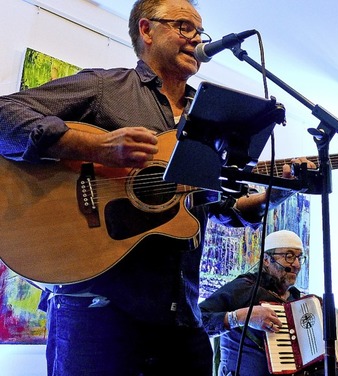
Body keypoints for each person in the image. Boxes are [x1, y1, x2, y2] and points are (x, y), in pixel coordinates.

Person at [0, 1, 312, 374]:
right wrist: (97, 147)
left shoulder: (210, 116)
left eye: (199, 30)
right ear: (146, 30)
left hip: (181, 320)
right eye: (184, 26)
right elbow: (4, 116)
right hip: (96, 316)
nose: (196, 38)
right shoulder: (106, 88)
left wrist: (274, 193)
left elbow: (215, 206)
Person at [199, 230, 338, 376]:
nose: (296, 264)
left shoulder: (299, 302)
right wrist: (241, 317)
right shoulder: (242, 288)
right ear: (266, 260)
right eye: (289, 256)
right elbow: (199, 322)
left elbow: (311, 361)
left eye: (300, 257)